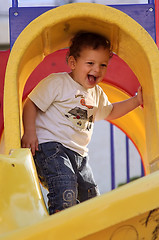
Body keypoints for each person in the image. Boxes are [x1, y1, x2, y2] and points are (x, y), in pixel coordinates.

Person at [21, 31, 143, 214]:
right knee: (65, 189)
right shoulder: (57, 83)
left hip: (79, 156)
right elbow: (31, 104)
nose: (97, 69)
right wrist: (29, 132)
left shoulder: (97, 93)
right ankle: (59, 229)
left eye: (103, 65)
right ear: (73, 63)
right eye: (90, 63)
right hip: (51, 149)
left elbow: (111, 111)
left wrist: (136, 100)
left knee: (91, 197)